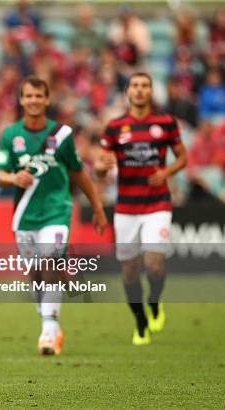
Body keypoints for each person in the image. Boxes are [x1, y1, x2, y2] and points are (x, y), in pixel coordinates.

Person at [0, 75, 107, 355]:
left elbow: (79, 172)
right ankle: (53, 318)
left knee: (50, 263)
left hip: (57, 210)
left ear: (46, 99)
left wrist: (96, 206)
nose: (33, 100)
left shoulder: (62, 134)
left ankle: (48, 329)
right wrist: (13, 178)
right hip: (25, 216)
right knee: (35, 274)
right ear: (21, 100)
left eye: (38, 96)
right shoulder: (10, 135)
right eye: (28, 96)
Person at [96, 72, 187, 346]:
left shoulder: (165, 122)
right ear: (127, 91)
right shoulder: (115, 127)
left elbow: (182, 156)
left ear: (151, 91)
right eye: (135, 86)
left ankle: (155, 302)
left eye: (145, 85)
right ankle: (140, 320)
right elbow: (100, 167)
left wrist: (167, 172)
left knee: (154, 264)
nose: (139, 90)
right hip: (126, 208)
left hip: (158, 203)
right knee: (130, 272)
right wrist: (103, 167)